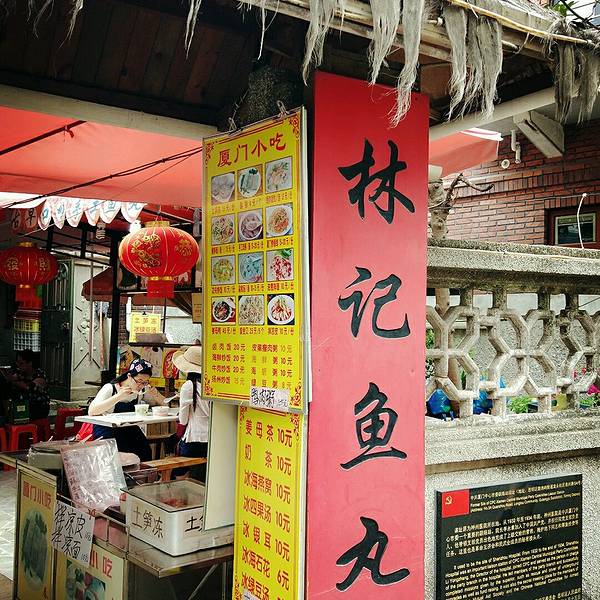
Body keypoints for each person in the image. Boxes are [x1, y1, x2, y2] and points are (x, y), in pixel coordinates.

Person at [87, 358, 165, 462]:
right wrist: (119, 396)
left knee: (144, 451)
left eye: (145, 382)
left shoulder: (142, 390)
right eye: (139, 381)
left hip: (128, 427)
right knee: (118, 457)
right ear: (129, 376)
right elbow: (92, 411)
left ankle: (143, 472)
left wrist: (155, 394)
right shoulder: (110, 388)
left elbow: (164, 404)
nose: (141, 385)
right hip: (107, 429)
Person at [172, 346, 210, 481]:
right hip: (211, 440)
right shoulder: (211, 385)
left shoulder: (188, 386)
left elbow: (183, 419)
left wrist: (177, 436)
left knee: (179, 473)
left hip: (194, 439)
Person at [3, 350, 49, 420]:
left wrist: (14, 382)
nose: (18, 366)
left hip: (38, 408)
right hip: (22, 406)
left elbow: (28, 386)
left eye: (21, 363)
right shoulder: (20, 374)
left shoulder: (39, 375)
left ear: (29, 363)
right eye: (17, 363)